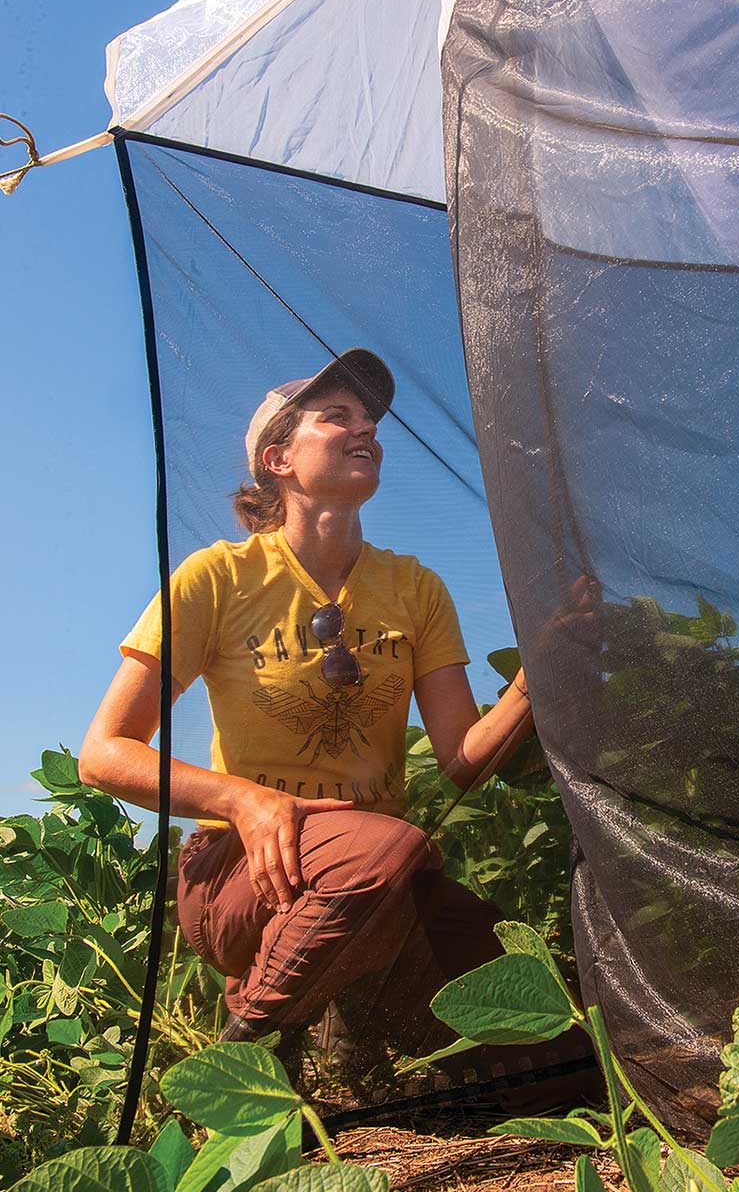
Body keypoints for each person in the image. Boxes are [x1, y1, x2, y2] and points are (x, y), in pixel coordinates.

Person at [79, 348, 570, 1086]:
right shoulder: (218, 577)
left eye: (370, 418)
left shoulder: (415, 588)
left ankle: (355, 1015)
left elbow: (465, 759)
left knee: (548, 1059)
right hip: (240, 876)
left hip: (380, 882)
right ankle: (237, 1060)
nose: (365, 428)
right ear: (278, 458)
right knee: (382, 851)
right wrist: (243, 799)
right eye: (336, 416)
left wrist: (537, 674)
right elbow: (104, 753)